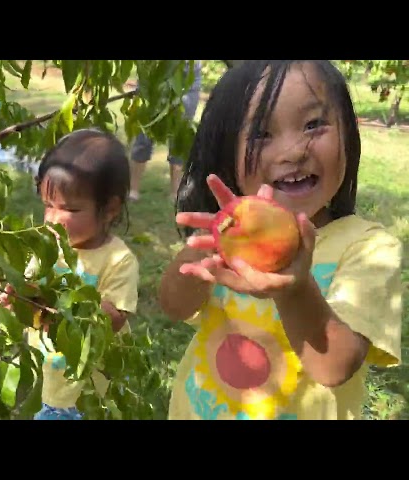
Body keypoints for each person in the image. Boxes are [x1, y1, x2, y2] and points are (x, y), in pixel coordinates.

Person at [158, 60, 402, 420]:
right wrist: (202, 250)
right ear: (227, 154)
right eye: (261, 133)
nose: (292, 151)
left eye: (313, 124)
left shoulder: (368, 249)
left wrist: (294, 290)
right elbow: (172, 306)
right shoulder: (230, 238)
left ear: (348, 133)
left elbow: (335, 367)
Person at [0, 128, 139, 420]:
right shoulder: (48, 249)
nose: (53, 218)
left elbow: (113, 319)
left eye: (70, 209)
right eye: (48, 205)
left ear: (111, 208)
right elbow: (30, 295)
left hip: (92, 393)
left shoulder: (117, 259)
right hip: (51, 383)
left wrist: (64, 299)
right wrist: (19, 295)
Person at [129, 61, 202, 202]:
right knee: (143, 135)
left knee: (180, 134)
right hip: (154, 72)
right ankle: (133, 189)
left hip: (187, 75)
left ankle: (175, 193)